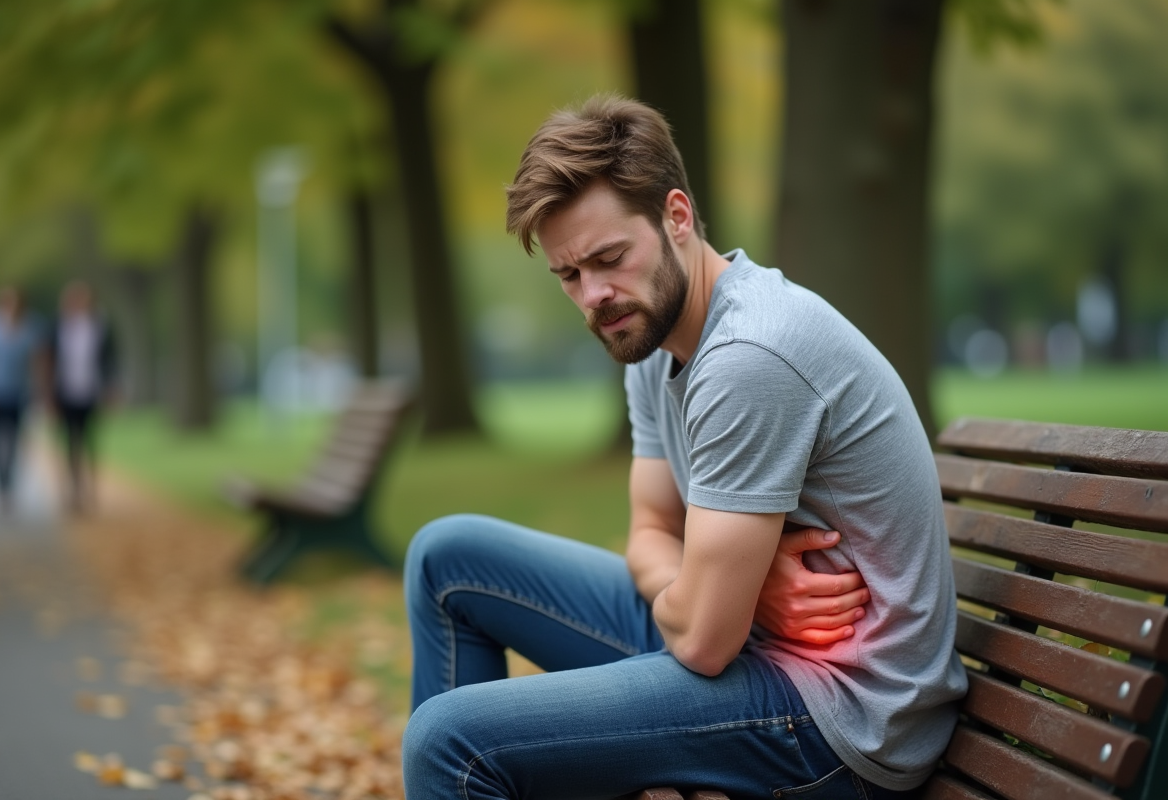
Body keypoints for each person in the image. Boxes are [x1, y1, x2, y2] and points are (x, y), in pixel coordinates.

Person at [401, 95, 966, 799]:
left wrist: (718, 600)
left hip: (841, 716)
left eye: (610, 258)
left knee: (447, 741)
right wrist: (735, 592)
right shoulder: (649, 338)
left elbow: (702, 642)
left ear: (676, 216)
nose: (594, 296)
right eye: (569, 275)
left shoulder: (749, 355)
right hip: (748, 648)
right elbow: (650, 531)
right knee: (446, 558)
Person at [0, 286, 46, 513]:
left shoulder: (31, 328)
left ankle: (9, 487)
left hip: (19, 394)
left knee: (14, 442)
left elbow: (38, 361)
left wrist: (40, 390)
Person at [47, 280, 118, 512]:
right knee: (70, 442)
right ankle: (74, 490)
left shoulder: (101, 326)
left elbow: (110, 359)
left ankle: (91, 489)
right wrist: (48, 394)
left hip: (91, 391)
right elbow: (48, 360)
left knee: (90, 441)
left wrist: (111, 388)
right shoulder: (57, 326)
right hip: (65, 392)